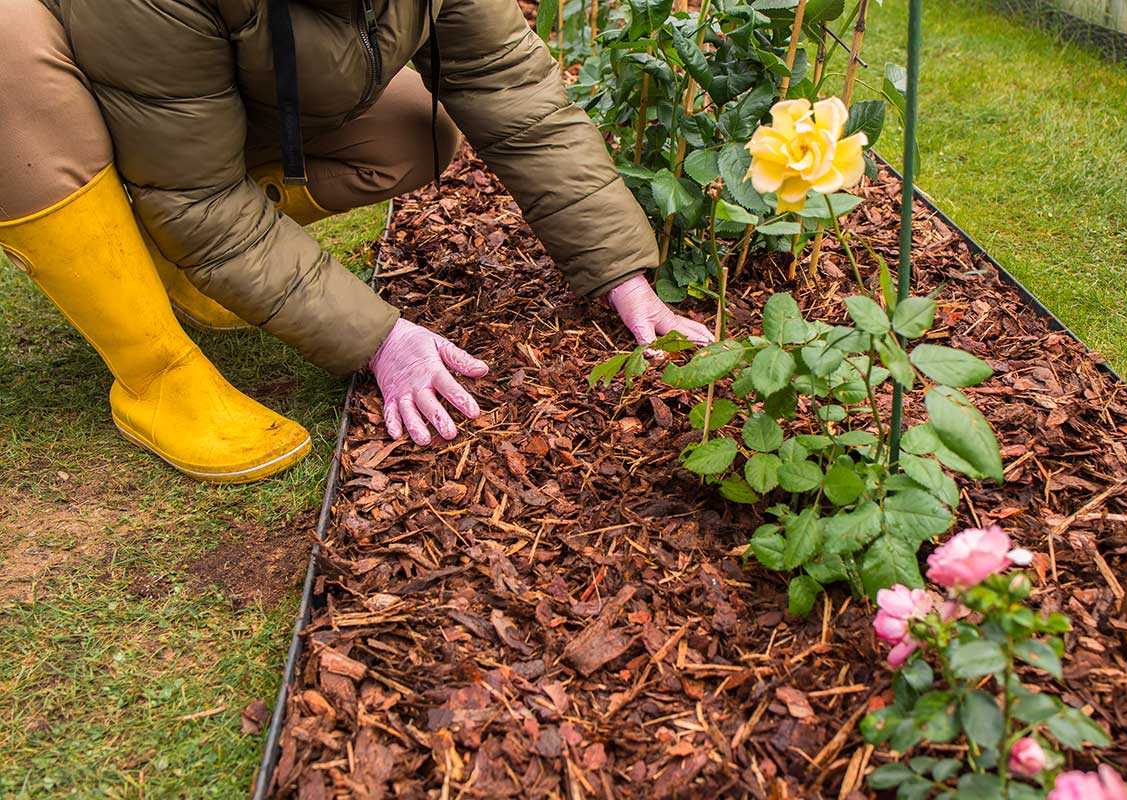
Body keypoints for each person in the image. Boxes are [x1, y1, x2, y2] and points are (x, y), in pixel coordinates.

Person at [0, 0, 714, 484]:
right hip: (63, 89)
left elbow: (514, 96)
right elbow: (199, 196)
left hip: (180, 105)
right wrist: (378, 337)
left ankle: (173, 265)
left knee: (410, 132)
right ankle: (154, 372)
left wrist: (622, 272)